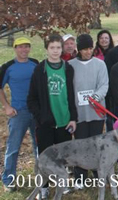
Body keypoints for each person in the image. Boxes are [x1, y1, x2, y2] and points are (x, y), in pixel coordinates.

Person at [27, 34, 78, 198]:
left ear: (62, 48)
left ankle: (62, 185)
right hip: (46, 123)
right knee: (45, 157)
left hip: (64, 120)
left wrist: (73, 118)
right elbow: (32, 98)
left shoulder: (67, 67)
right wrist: (41, 117)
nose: (55, 51)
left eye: (58, 47)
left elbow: (71, 94)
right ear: (46, 49)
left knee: (63, 157)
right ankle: (43, 187)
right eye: (52, 47)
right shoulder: (40, 68)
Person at [69, 34, 109, 189]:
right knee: (81, 144)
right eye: (84, 49)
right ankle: (80, 177)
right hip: (79, 113)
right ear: (79, 49)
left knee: (97, 144)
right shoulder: (70, 65)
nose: (87, 52)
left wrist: (96, 97)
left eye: (90, 48)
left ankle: (99, 174)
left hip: (96, 111)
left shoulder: (100, 64)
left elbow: (104, 84)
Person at [0, 37, 39, 192]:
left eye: (26, 47)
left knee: (39, 147)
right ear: (15, 48)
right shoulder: (8, 67)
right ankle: (8, 179)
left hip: (36, 112)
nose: (24, 50)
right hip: (18, 112)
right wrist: (6, 106)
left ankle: (41, 180)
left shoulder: (35, 63)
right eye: (20, 47)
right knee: (13, 147)